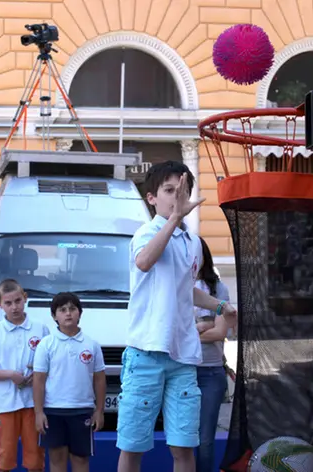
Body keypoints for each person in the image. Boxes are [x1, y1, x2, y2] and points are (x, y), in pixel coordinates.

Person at [117, 161, 237, 472]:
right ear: (152, 198)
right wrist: (173, 220)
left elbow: (187, 289)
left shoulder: (193, 243)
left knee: (184, 446)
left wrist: (221, 307)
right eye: (169, 191)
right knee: (133, 446)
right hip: (146, 354)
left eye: (182, 192)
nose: (177, 197)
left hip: (184, 357)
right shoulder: (145, 234)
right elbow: (144, 262)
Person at [0, 279, 48, 472]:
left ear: (25, 298)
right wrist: (11, 375)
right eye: (8, 303)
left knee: (35, 457)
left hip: (33, 404)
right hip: (5, 403)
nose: (14, 307)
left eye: (17, 301)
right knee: (4, 457)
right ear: (0, 305)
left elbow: (51, 362)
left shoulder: (40, 329)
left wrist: (37, 374)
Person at [33, 292, 105, 472]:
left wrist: (99, 411)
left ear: (80, 313)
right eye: (62, 309)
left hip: (82, 410)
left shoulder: (92, 344)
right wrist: (39, 412)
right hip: (53, 411)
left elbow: (99, 380)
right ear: (54, 316)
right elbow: (39, 380)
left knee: (80, 459)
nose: (68, 313)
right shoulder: (46, 344)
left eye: (73, 309)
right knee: (57, 459)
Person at [193, 237, 232, 472]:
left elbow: (219, 332)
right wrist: (201, 324)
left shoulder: (219, 288)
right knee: (181, 439)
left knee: (206, 439)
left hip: (210, 370)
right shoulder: (175, 286)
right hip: (182, 370)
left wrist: (190, 331)